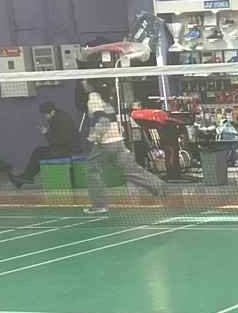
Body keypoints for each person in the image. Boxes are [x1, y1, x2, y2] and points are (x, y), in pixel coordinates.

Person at [82, 78, 169, 215]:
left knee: (91, 169)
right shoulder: (106, 99)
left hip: (105, 143)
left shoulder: (93, 99)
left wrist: (94, 137)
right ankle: (159, 186)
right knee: (131, 170)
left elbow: (103, 121)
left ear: (91, 85)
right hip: (118, 141)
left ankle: (99, 205)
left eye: (85, 81)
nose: (83, 83)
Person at [9, 101, 82, 189]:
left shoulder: (62, 121)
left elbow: (58, 140)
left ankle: (26, 177)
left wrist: (46, 133)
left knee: (39, 152)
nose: (45, 117)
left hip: (68, 150)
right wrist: (49, 131)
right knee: (39, 151)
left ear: (52, 112)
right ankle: (25, 178)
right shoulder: (59, 118)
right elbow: (59, 136)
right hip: (66, 148)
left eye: (45, 115)